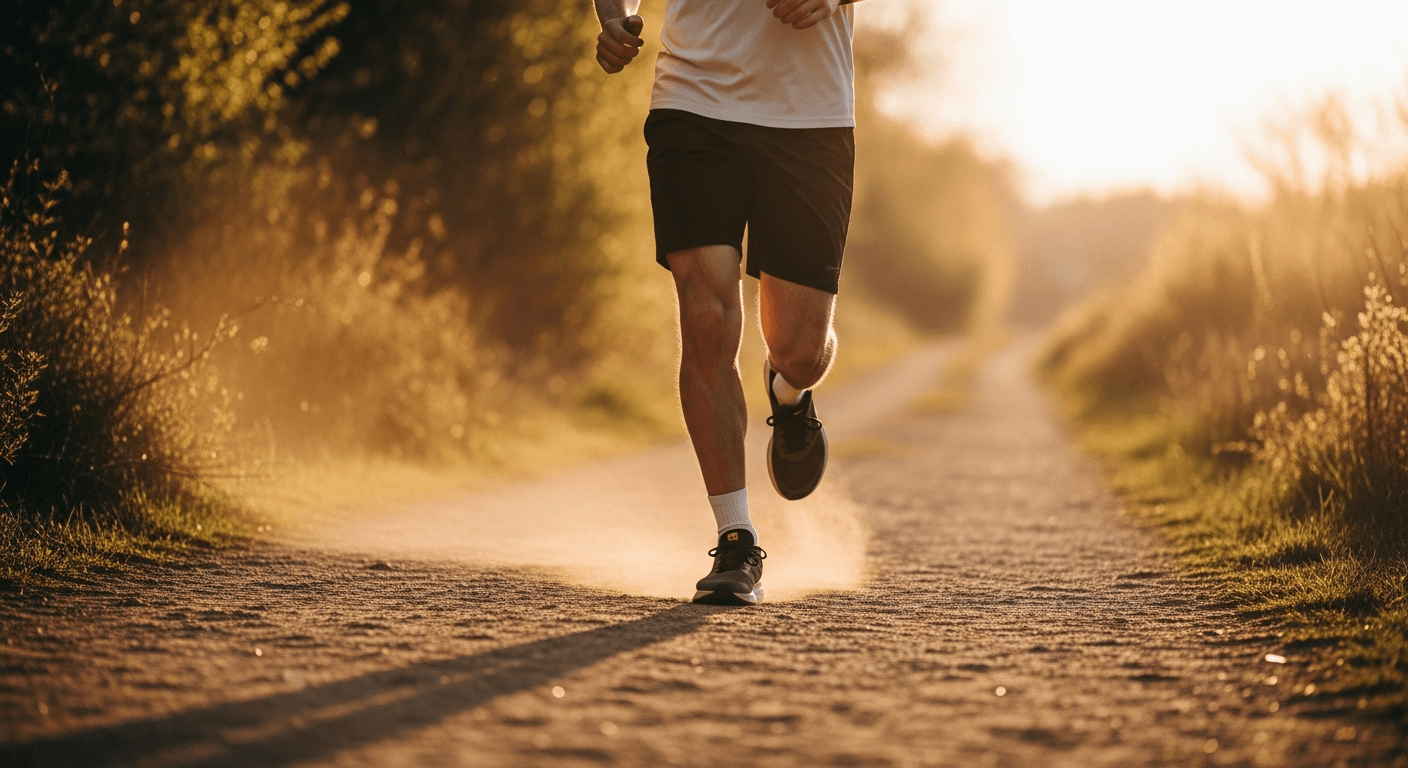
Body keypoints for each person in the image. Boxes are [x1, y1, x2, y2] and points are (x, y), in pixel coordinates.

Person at [593, 0, 863, 605]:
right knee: (705, 318)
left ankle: (789, 392)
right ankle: (735, 538)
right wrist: (612, 16)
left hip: (810, 116)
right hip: (693, 104)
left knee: (800, 349)